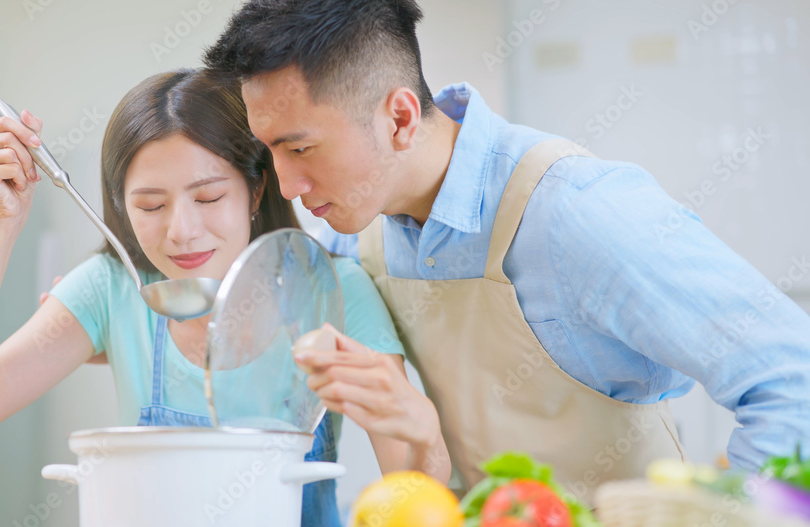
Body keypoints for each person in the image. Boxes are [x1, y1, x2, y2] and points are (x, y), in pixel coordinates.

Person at [203, 0, 810, 500]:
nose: (286, 185)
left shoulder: (580, 211)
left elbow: (792, 377)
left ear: (399, 119)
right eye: (270, 153)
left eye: (301, 150)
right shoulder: (354, 229)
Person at [0, 68, 449, 526]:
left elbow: (413, 495)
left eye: (209, 197)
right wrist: (1, 225)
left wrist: (426, 436)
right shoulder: (111, 287)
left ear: (256, 190)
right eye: (151, 206)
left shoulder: (331, 290)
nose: (181, 231)